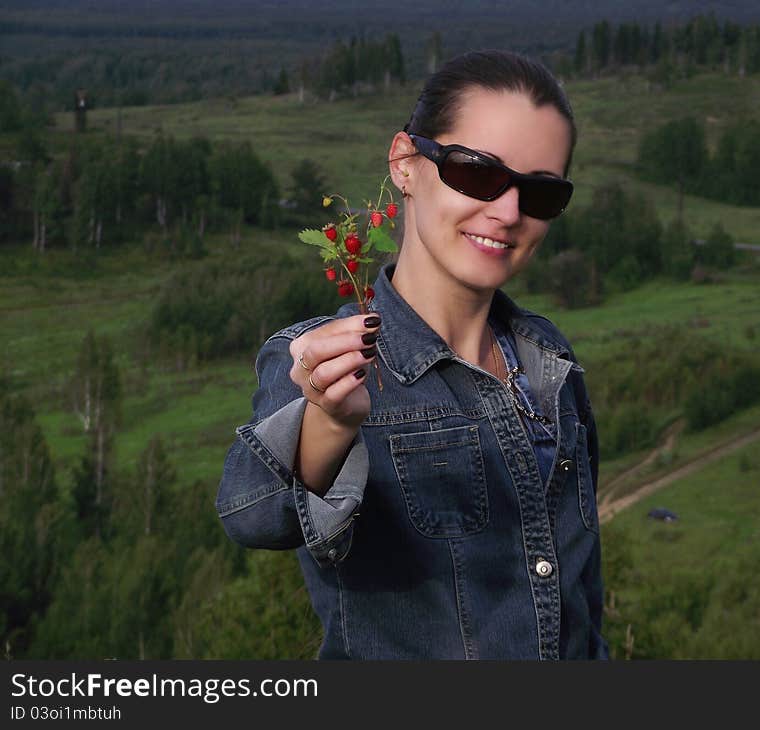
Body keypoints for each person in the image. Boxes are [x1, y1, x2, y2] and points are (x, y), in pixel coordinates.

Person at [216, 49, 609, 660]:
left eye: (540, 193)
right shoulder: (321, 361)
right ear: (405, 162)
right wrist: (329, 420)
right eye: (478, 173)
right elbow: (255, 515)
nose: (507, 212)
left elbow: (582, 595)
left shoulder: (550, 359)